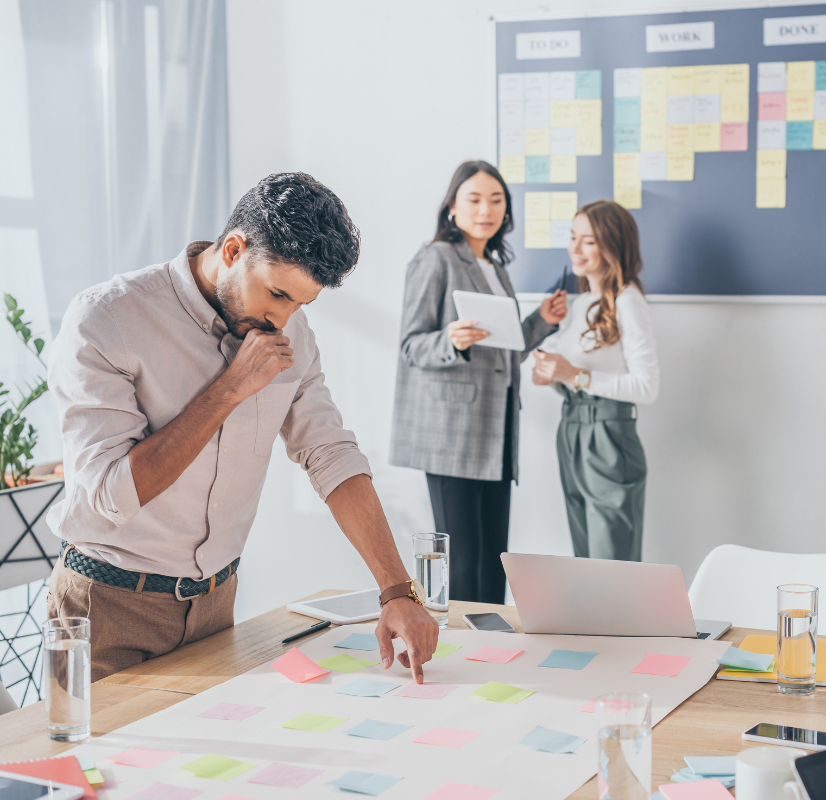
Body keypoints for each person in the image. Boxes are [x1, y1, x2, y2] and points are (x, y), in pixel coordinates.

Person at [47, 173, 438, 681]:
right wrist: (230, 389)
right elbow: (109, 494)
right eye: (276, 294)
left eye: (300, 303)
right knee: (101, 761)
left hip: (215, 609)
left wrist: (395, 591)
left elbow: (330, 453)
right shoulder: (108, 318)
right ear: (233, 249)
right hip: (109, 610)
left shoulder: (288, 328)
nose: (283, 318)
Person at [390, 161, 567, 603]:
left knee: (494, 559)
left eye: (496, 200)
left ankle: (493, 651)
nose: (486, 209)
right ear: (452, 206)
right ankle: (462, 655)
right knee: (464, 562)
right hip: (452, 435)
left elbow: (504, 349)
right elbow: (411, 345)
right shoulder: (435, 259)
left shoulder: (493, 266)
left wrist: (542, 321)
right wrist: (451, 340)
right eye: (474, 199)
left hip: (497, 430)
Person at [532, 200, 659, 561]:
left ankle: (621, 620)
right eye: (573, 237)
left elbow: (647, 387)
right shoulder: (582, 303)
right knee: (586, 561)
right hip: (571, 429)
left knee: (610, 563)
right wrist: (553, 375)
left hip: (608, 435)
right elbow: (571, 375)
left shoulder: (628, 301)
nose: (574, 248)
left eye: (587, 240)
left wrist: (574, 375)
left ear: (612, 244)